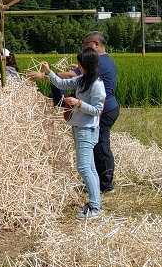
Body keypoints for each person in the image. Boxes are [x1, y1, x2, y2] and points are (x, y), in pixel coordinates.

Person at [28, 31, 119, 193]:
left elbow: (69, 77)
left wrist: (43, 76)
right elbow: (64, 82)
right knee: (95, 150)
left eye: (85, 45)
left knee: (101, 147)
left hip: (104, 109)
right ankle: (96, 185)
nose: (83, 48)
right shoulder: (102, 63)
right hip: (104, 108)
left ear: (96, 44)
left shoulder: (98, 66)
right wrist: (50, 72)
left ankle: (105, 185)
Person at [38, 48, 106, 219]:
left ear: (88, 65)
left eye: (81, 64)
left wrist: (79, 103)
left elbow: (98, 110)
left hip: (87, 129)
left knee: (83, 167)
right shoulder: (83, 80)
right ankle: (94, 203)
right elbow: (62, 84)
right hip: (78, 127)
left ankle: (95, 208)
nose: (79, 67)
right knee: (89, 167)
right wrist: (49, 72)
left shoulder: (97, 84)